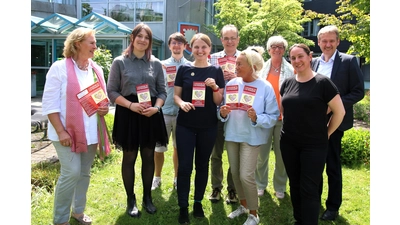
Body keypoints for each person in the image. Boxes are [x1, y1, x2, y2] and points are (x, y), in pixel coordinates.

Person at [42, 27, 111, 225]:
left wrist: (104, 109)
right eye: (92, 43)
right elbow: (50, 104)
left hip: (91, 132)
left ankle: (78, 212)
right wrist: (61, 131)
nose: (95, 47)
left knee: (84, 172)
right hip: (66, 133)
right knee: (71, 172)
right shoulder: (59, 68)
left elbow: (102, 100)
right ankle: (60, 219)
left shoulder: (96, 69)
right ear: (78, 43)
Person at [107, 23, 168, 218]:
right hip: (128, 112)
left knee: (149, 157)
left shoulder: (156, 64)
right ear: (132, 38)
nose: (143, 40)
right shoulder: (119, 62)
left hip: (150, 113)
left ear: (150, 41)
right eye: (139, 36)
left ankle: (147, 197)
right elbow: (112, 91)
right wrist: (131, 105)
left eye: (147, 37)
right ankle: (130, 199)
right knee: (130, 157)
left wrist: (156, 108)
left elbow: (162, 91)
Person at [280, 43, 345, 225]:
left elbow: (339, 112)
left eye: (300, 56)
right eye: (293, 58)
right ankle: (299, 220)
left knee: (309, 188)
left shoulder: (323, 83)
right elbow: (285, 110)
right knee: (294, 184)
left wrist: (327, 133)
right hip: (289, 142)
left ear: (310, 57)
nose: (297, 61)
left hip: (314, 145)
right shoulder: (288, 83)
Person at [220, 46, 280, 225]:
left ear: (253, 66)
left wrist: (257, 118)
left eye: (240, 64)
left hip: (252, 137)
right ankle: (243, 205)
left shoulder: (265, 87)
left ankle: (254, 213)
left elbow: (273, 116)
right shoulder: (231, 84)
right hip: (232, 135)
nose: (235, 67)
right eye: (236, 63)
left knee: (246, 175)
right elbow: (222, 112)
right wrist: (222, 113)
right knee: (236, 174)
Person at [311, 25, 365, 221]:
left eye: (331, 41)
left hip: (336, 121)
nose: (327, 44)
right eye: (324, 41)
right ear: (318, 42)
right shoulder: (314, 62)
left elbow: (358, 91)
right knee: (314, 164)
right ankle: (314, 202)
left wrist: (334, 106)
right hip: (314, 123)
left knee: (332, 165)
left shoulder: (349, 62)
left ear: (338, 42)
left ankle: (333, 206)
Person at [174, 33, 225, 224]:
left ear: (209, 49)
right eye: (196, 47)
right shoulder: (184, 69)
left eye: (204, 47)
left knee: (202, 166)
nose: (200, 50)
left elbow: (218, 101)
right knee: (185, 167)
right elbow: (176, 96)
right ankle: (182, 207)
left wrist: (214, 88)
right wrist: (182, 104)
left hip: (208, 126)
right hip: (186, 125)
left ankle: (197, 203)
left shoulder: (216, 70)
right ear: (191, 48)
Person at [255, 35, 295, 199]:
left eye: (280, 47)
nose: (277, 49)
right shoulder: (261, 69)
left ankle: (280, 186)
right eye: (274, 46)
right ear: (269, 49)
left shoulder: (291, 70)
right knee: (261, 155)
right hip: (264, 118)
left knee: (281, 157)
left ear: (284, 50)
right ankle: (260, 184)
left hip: (282, 119)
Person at [151, 32, 190, 191]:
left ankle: (176, 178)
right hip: (164, 111)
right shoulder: (161, 64)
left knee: (178, 148)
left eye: (180, 43)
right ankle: (157, 177)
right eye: (173, 43)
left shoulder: (190, 66)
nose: (176, 46)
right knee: (159, 148)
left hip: (182, 113)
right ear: (169, 46)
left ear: (185, 46)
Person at [208, 24, 240, 204]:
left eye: (232, 37)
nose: (229, 41)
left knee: (234, 154)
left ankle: (233, 189)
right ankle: (216, 187)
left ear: (238, 39)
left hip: (237, 113)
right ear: (221, 40)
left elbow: (251, 80)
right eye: (226, 38)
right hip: (216, 111)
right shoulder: (212, 58)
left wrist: (235, 74)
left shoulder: (244, 57)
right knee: (216, 153)